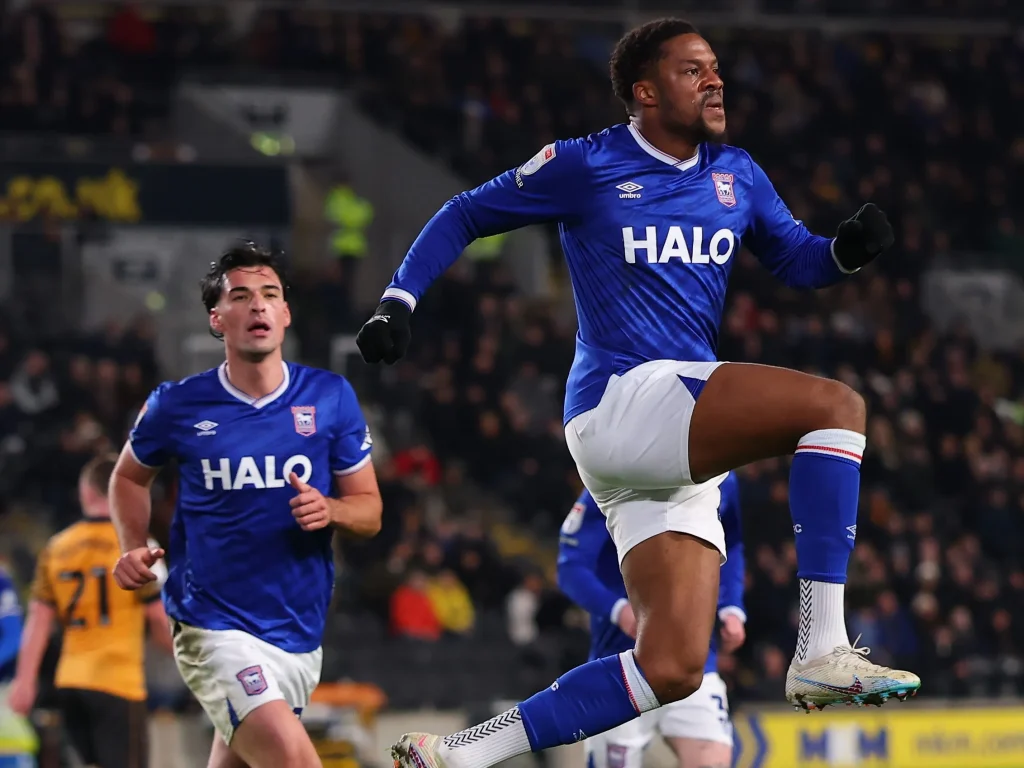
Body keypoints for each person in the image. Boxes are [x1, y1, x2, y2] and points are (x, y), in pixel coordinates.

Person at [356, 17, 920, 768]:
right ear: (644, 93)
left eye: (715, 67)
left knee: (673, 666)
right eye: (693, 71)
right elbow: (465, 212)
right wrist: (399, 302)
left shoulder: (738, 174)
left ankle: (461, 754)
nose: (715, 80)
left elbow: (796, 259)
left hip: (661, 442)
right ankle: (823, 645)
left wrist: (845, 252)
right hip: (621, 397)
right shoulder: (587, 164)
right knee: (837, 409)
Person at [108, 243, 383, 768]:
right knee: (296, 761)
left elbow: (370, 510)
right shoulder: (176, 403)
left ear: (285, 314)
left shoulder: (330, 397)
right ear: (218, 319)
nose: (257, 305)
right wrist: (131, 545)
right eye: (241, 296)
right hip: (213, 625)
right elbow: (127, 477)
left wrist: (333, 510)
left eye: (269, 294)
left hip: (297, 634)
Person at [558, 475, 745, 768]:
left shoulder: (721, 474)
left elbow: (730, 543)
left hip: (694, 657)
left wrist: (731, 605)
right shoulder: (615, 470)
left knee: (713, 760)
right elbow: (570, 566)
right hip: (622, 660)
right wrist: (618, 609)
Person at [8, 455, 173, 768]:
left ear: (85, 493)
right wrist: (190, 665)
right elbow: (157, 617)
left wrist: (25, 681)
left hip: (70, 682)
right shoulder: (136, 546)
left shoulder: (56, 547)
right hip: (119, 683)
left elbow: (39, 622)